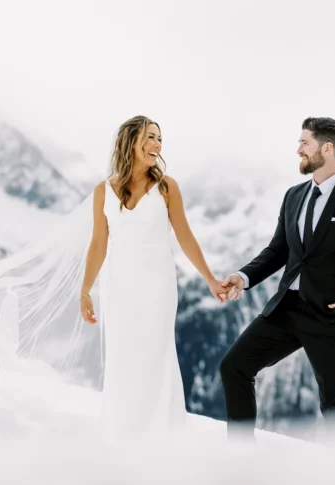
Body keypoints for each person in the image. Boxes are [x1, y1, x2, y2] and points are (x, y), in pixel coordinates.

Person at [219, 117, 335, 440]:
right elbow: (278, 250)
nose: (298, 150)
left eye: (304, 143)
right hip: (286, 309)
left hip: (332, 317)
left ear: (327, 148)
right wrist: (244, 277)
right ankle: (241, 459)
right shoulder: (293, 196)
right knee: (234, 366)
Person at [78, 115, 229, 437]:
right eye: (150, 137)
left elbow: (185, 237)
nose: (158, 144)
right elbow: (97, 244)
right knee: (122, 357)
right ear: (130, 141)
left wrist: (210, 278)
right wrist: (85, 290)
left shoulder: (166, 187)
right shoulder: (102, 191)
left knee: (156, 354)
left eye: (160, 138)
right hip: (118, 286)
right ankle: (123, 432)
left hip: (157, 285)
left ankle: (161, 434)